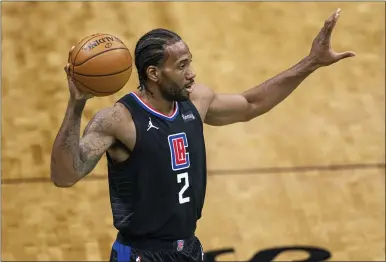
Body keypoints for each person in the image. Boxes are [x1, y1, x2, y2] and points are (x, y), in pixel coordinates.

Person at [50, 8, 355, 262]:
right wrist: (76, 105)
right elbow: (65, 175)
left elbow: (252, 104)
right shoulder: (118, 120)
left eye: (190, 62)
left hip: (189, 249)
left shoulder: (196, 101)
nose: (192, 73)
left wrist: (312, 62)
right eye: (182, 66)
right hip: (142, 255)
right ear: (154, 74)